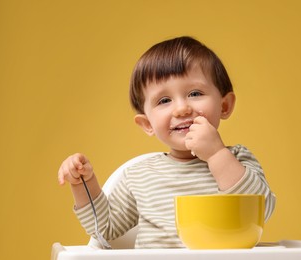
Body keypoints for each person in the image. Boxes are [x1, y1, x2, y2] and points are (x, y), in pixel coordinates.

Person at [58, 36, 276, 249]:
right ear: (147, 124)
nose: (181, 109)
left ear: (224, 106)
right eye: (164, 100)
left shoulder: (238, 160)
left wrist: (217, 154)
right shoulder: (138, 176)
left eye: (195, 93)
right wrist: (81, 183)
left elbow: (261, 210)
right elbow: (104, 230)